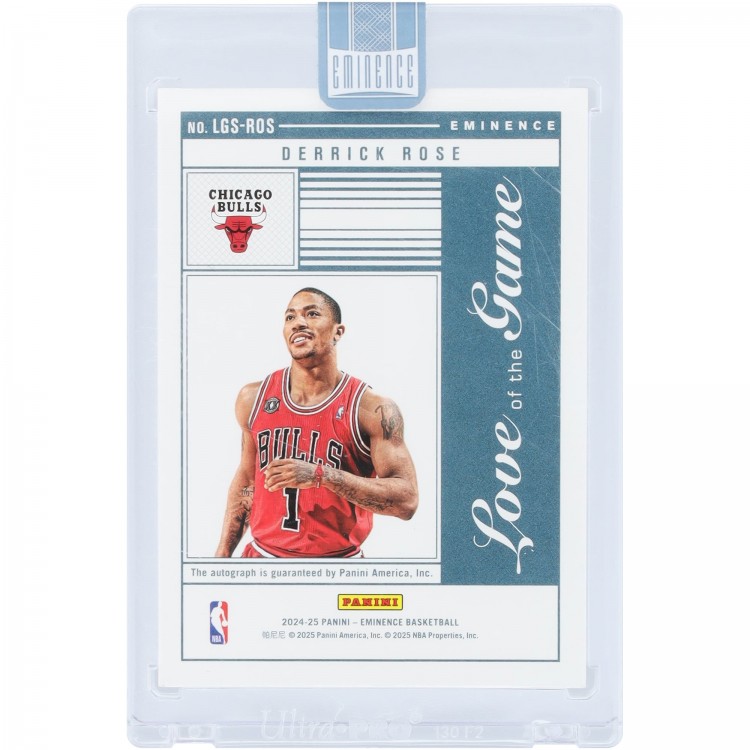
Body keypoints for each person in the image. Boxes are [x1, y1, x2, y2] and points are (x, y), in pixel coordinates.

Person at [215, 287, 418, 558]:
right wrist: (222, 556)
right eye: (290, 317)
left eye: (311, 314)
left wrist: (321, 476)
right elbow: (247, 480)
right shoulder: (253, 398)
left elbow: (407, 501)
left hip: (337, 565)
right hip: (262, 559)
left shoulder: (371, 409)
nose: (298, 322)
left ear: (338, 332)